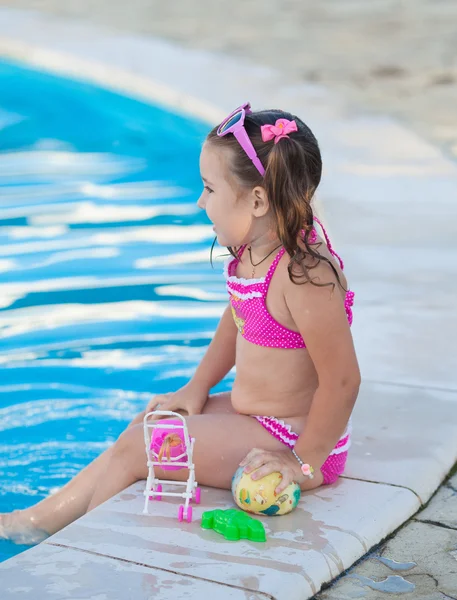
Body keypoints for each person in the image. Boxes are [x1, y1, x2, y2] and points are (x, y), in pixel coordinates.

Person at [0, 102, 360, 545]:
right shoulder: (255, 251)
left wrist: (302, 464)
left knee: (142, 447)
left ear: (258, 200)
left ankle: (75, 554)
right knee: (146, 423)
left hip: (293, 438)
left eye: (209, 189)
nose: (199, 200)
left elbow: (342, 381)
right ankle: (38, 520)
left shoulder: (305, 275)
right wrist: (196, 388)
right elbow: (238, 320)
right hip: (261, 418)